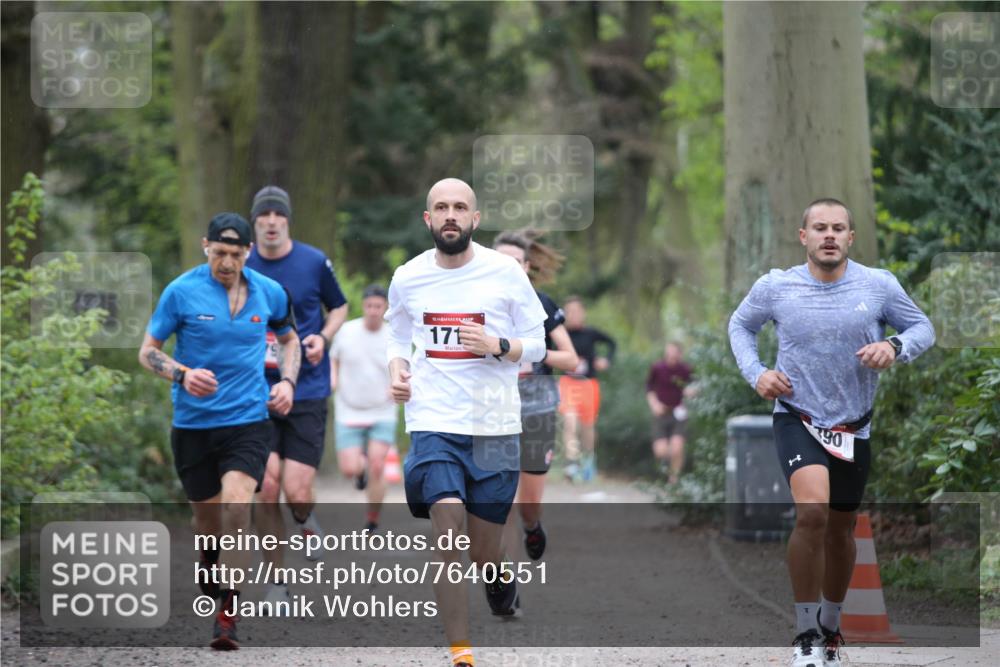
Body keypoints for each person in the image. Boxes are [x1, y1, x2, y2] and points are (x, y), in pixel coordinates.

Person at [728, 198, 934, 667]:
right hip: (797, 415)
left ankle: (831, 627)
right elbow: (740, 325)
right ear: (803, 236)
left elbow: (923, 327)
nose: (829, 235)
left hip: (853, 423)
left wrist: (894, 345)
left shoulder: (878, 285)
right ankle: (805, 635)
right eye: (819, 227)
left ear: (850, 238)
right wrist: (756, 372)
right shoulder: (776, 286)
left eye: (838, 228)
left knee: (841, 529)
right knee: (814, 513)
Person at [386, 178, 547, 667]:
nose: (450, 214)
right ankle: (461, 652)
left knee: (482, 550)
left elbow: (537, 344)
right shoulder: (408, 277)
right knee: (448, 529)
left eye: (460, 207)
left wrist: (498, 346)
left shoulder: (504, 272)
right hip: (434, 420)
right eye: (441, 207)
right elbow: (395, 336)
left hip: (495, 426)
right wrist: (396, 368)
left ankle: (498, 579)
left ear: (475, 220)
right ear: (428, 219)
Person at [138, 212, 300, 650]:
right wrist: (182, 375)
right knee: (206, 521)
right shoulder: (182, 291)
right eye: (219, 252)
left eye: (235, 254)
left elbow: (289, 340)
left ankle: (227, 617)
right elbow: (148, 351)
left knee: (236, 509)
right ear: (205, 245)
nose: (226, 262)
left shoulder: (269, 293)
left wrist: (286, 381)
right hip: (193, 425)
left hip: (247, 422)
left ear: (248, 253)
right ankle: (209, 558)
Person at [245, 186, 348, 609]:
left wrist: (323, 337)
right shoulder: (240, 264)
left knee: (296, 489)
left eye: (278, 214)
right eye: (263, 215)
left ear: (287, 220)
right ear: (254, 223)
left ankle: (305, 518)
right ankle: (277, 584)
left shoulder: (312, 261)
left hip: (307, 385)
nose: (271, 221)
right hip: (255, 389)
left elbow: (338, 306)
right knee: (266, 488)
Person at [493, 231, 579, 561]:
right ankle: (502, 579)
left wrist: (530, 351)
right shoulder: (477, 303)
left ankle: (532, 525)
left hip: (536, 408)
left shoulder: (541, 304)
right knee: (497, 501)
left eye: (514, 262)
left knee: (527, 505)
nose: (507, 268)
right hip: (493, 406)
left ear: (526, 267)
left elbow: (570, 359)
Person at [329, 284, 397, 532]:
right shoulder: (346, 332)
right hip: (349, 407)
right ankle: (359, 474)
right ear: (363, 306)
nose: (373, 311)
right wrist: (333, 379)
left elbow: (404, 365)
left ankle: (372, 518)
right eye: (369, 306)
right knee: (350, 468)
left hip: (382, 408)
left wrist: (397, 384)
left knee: (378, 465)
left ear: (385, 308)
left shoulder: (393, 335)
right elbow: (333, 359)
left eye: (378, 306)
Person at [559, 297, 616, 482]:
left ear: (583, 313)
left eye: (576, 311)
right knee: (569, 421)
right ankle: (572, 462)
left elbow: (612, 343)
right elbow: (546, 354)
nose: (573, 315)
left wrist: (606, 360)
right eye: (569, 312)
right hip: (568, 383)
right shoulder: (560, 334)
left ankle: (589, 459)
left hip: (589, 385)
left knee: (587, 427)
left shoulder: (591, 333)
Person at [646, 342, 694, 484]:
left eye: (675, 353)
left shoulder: (686, 370)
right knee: (660, 451)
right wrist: (654, 404)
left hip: (679, 412)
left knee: (677, 446)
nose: (672, 355)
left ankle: (675, 479)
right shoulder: (657, 368)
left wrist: (691, 392)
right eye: (669, 352)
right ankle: (669, 468)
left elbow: (696, 385)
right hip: (661, 412)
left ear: (680, 354)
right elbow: (649, 388)